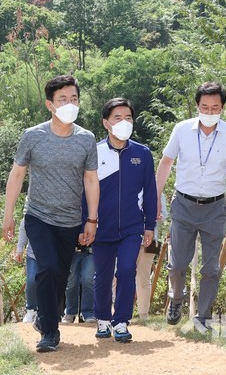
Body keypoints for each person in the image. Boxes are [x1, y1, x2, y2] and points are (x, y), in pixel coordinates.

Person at [2, 75, 99, 353]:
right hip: (38, 216)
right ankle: (49, 332)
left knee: (60, 274)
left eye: (74, 99)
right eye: (63, 99)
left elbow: (91, 180)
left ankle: (46, 316)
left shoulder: (86, 139)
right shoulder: (33, 136)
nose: (70, 104)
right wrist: (8, 215)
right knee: (46, 268)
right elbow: (17, 175)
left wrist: (91, 219)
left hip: (69, 220)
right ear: (50, 104)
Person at [155, 81, 226, 329]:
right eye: (204, 107)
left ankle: (203, 317)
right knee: (177, 264)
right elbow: (166, 163)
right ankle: (176, 298)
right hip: (183, 204)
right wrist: (156, 196)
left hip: (215, 208)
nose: (209, 112)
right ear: (197, 106)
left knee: (211, 268)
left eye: (214, 107)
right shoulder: (182, 130)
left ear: (223, 108)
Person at [88, 97, 157, 343]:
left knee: (127, 270)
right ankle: (103, 319)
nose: (124, 122)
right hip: (101, 227)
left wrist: (150, 225)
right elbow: (85, 190)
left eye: (128, 118)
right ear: (106, 123)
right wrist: (86, 222)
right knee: (103, 276)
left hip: (131, 227)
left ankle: (121, 322)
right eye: (118, 118)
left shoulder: (143, 153)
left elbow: (150, 191)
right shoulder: (94, 152)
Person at [134, 193, 167, 320]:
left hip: (149, 241)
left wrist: (157, 216)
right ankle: (120, 312)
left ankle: (143, 315)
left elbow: (164, 214)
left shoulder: (157, 190)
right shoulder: (127, 184)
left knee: (143, 278)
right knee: (120, 276)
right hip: (127, 239)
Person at [62, 242, 95, 323]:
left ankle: (88, 313)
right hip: (72, 251)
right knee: (71, 283)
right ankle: (70, 312)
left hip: (90, 251)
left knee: (88, 280)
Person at [14, 217, 37, 323]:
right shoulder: (30, 212)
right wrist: (19, 250)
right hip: (32, 254)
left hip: (50, 255)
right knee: (31, 281)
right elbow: (23, 230)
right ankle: (31, 309)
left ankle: (42, 310)